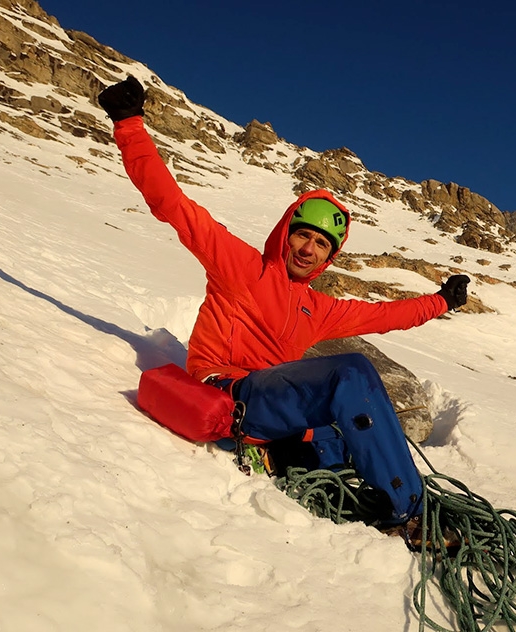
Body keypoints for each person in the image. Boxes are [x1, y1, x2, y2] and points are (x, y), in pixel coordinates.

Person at [98, 76, 469, 527]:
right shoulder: (241, 266)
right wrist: (130, 125)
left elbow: (384, 315)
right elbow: (173, 205)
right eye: (303, 235)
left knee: (350, 430)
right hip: (229, 391)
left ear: (329, 257)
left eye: (321, 245)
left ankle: (283, 461)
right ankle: (411, 512)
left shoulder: (318, 308)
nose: (308, 249)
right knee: (351, 371)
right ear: (286, 232)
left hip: (272, 410)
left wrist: (440, 303)